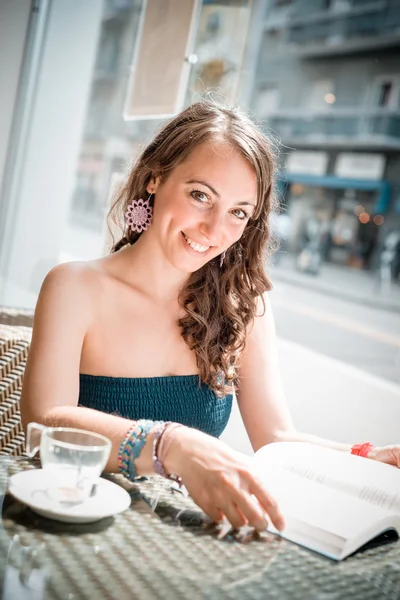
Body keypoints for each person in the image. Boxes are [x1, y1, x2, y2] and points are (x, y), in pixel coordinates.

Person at [20, 101, 400, 534]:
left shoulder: (242, 306)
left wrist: (365, 458)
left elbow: (276, 439)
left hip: (186, 541)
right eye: (200, 195)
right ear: (155, 177)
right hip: (79, 529)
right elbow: (43, 423)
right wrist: (170, 443)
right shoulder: (74, 287)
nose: (214, 230)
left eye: (238, 212)